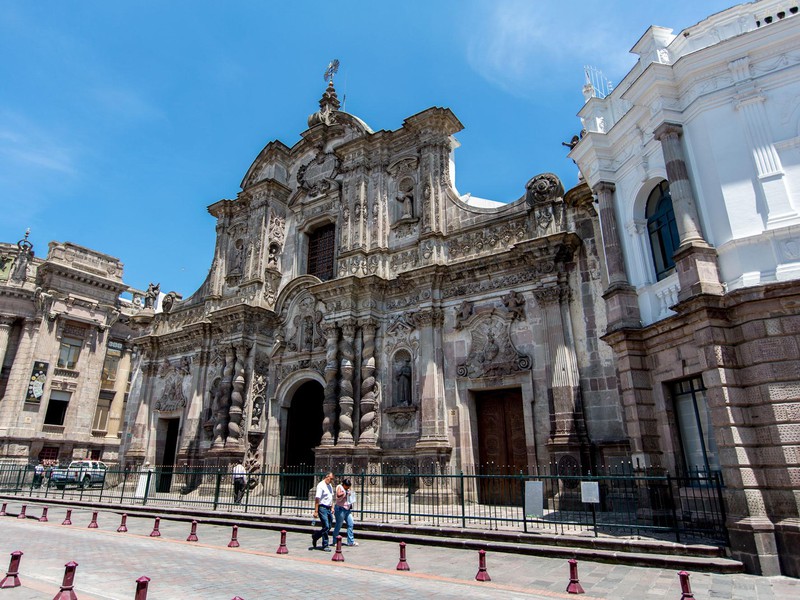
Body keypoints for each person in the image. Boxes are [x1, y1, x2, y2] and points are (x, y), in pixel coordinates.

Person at [309, 472, 334, 552]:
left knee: (329, 526)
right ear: (326, 477)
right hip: (322, 508)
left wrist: (332, 507)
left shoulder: (330, 485)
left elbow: (331, 497)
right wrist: (316, 511)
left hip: (328, 508)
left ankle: (316, 536)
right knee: (326, 526)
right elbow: (317, 499)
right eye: (331, 479)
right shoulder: (320, 485)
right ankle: (325, 545)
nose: (331, 481)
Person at [332, 478, 358, 547]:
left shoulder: (347, 489)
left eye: (349, 486)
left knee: (351, 523)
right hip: (340, 509)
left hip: (347, 509)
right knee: (339, 525)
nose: (348, 487)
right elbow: (338, 495)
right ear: (344, 485)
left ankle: (350, 541)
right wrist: (345, 493)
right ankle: (335, 541)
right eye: (347, 486)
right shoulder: (339, 487)